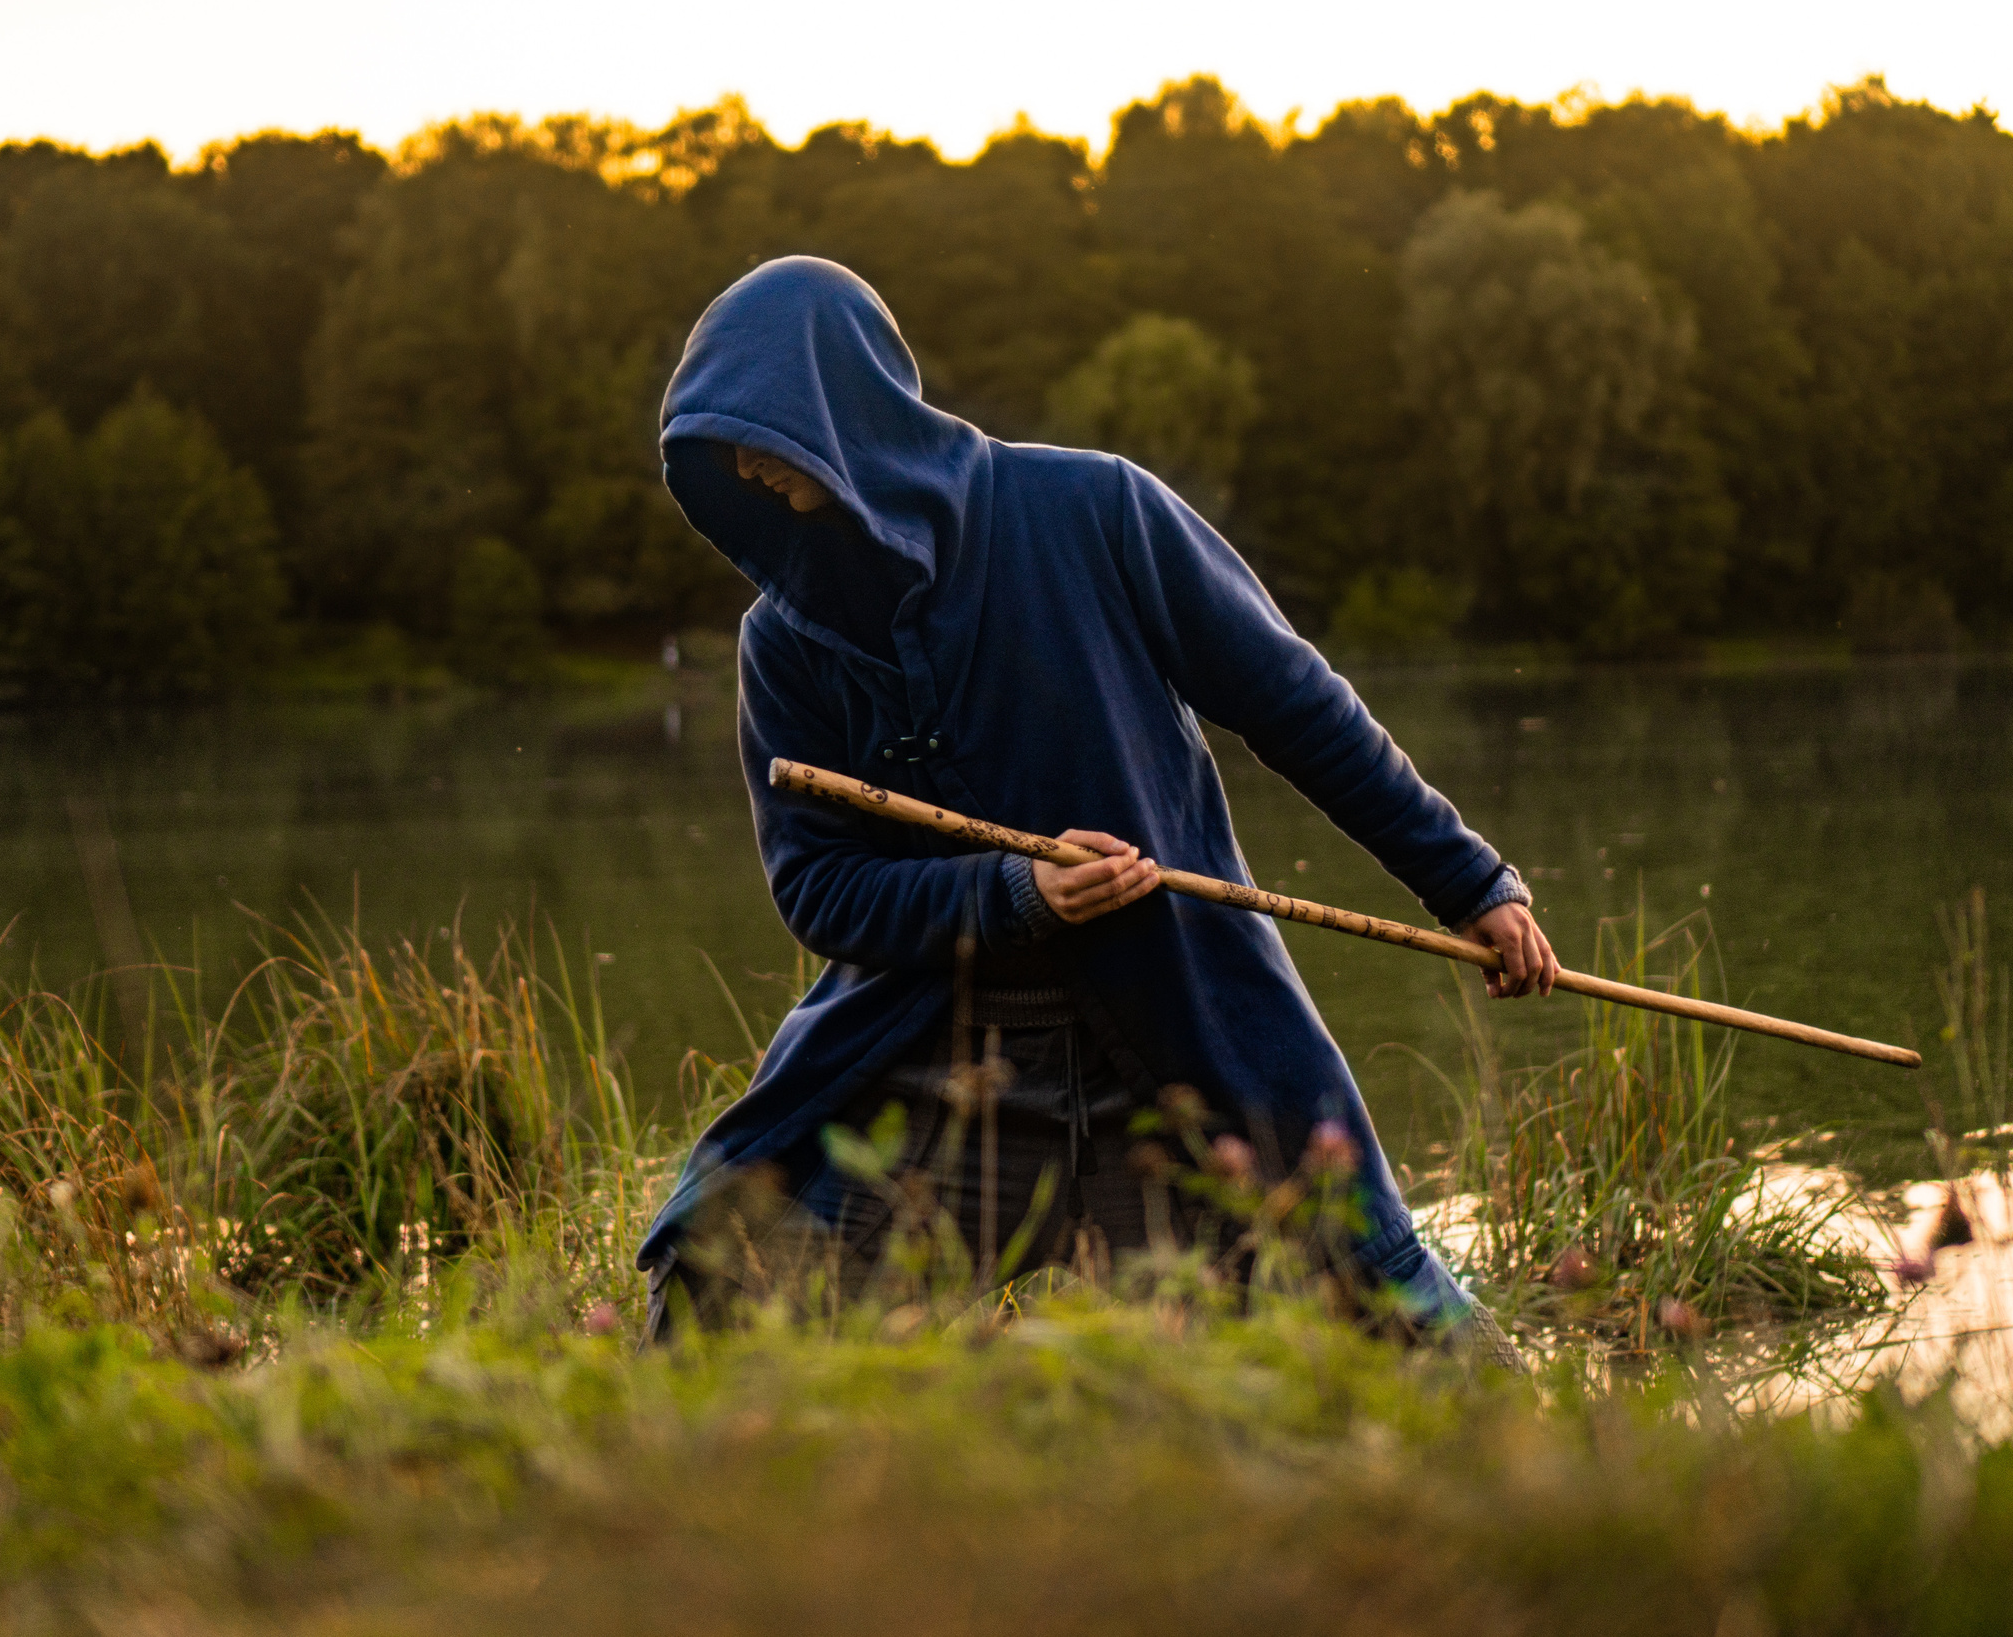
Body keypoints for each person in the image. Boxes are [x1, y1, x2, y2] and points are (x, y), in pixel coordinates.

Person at [639, 257, 1556, 1361]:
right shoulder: (783, 642)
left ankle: (1561, 1459)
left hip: (1178, 1041)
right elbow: (821, 890)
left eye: (761, 431)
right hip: (943, 1067)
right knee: (717, 1288)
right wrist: (1012, 892)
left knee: (1390, 1323)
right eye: (720, 446)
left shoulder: (1096, 509)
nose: (742, 464)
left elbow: (1298, 707)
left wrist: (1467, 882)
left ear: (848, 403)